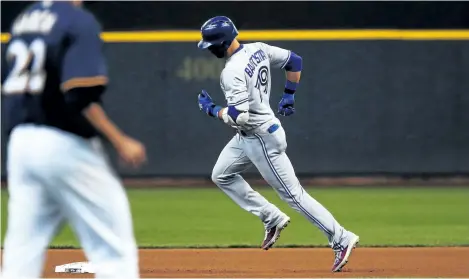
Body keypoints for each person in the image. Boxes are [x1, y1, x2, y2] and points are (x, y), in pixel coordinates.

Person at [196, 16, 359, 272]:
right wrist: (289, 95)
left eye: (211, 45)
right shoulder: (258, 49)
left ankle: (341, 238)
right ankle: (271, 217)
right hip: (250, 135)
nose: (210, 49)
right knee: (221, 175)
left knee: (294, 196)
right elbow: (295, 61)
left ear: (223, 42)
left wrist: (212, 109)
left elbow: (240, 116)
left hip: (260, 137)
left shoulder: (232, 72)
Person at [1, 1, 145, 277]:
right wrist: (119, 140)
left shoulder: (23, 21)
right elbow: (78, 92)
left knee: (22, 251)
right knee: (113, 249)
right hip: (63, 142)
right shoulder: (77, 21)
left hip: (20, 143)